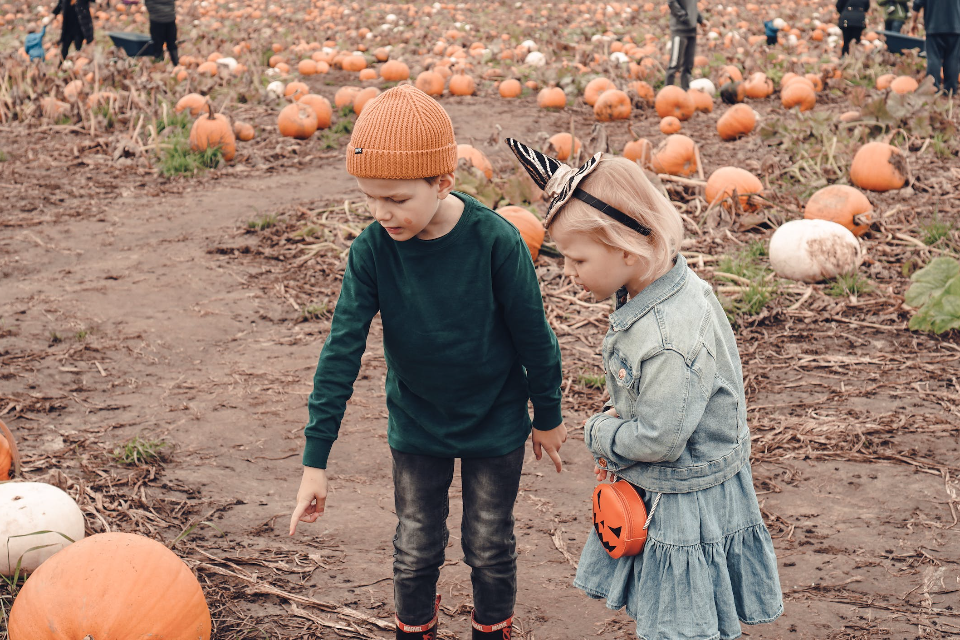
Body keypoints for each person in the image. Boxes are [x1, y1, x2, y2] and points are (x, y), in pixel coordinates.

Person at [288, 85, 566, 640]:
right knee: (415, 545)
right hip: (417, 423)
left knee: (488, 544)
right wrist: (314, 462)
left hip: (496, 419)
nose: (380, 213)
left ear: (442, 182)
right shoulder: (372, 250)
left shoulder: (496, 241)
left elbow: (535, 335)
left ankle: (493, 629)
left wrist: (548, 414)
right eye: (370, 197)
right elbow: (341, 351)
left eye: (395, 199)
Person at [506, 140, 784, 640]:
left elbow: (658, 439)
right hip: (682, 479)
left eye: (577, 260)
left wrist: (601, 433)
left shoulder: (668, 340)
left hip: (684, 494)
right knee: (676, 607)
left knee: (680, 621)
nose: (568, 273)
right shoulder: (663, 286)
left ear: (627, 248)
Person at [910, 0, 960, 95]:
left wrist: (913, 22)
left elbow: (917, 4)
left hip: (934, 26)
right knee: (953, 58)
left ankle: (933, 88)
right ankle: (950, 90)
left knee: (934, 58)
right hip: (955, 27)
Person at [666, 0, 706, 89]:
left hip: (692, 31)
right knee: (674, 65)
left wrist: (700, 19)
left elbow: (692, 8)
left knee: (688, 65)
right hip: (679, 30)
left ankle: (685, 91)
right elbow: (671, 2)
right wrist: (685, 18)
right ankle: (667, 91)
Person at [144, 0, 178, 65]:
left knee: (157, 43)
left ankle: (158, 62)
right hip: (169, 17)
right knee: (171, 43)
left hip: (157, 19)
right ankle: (175, 63)